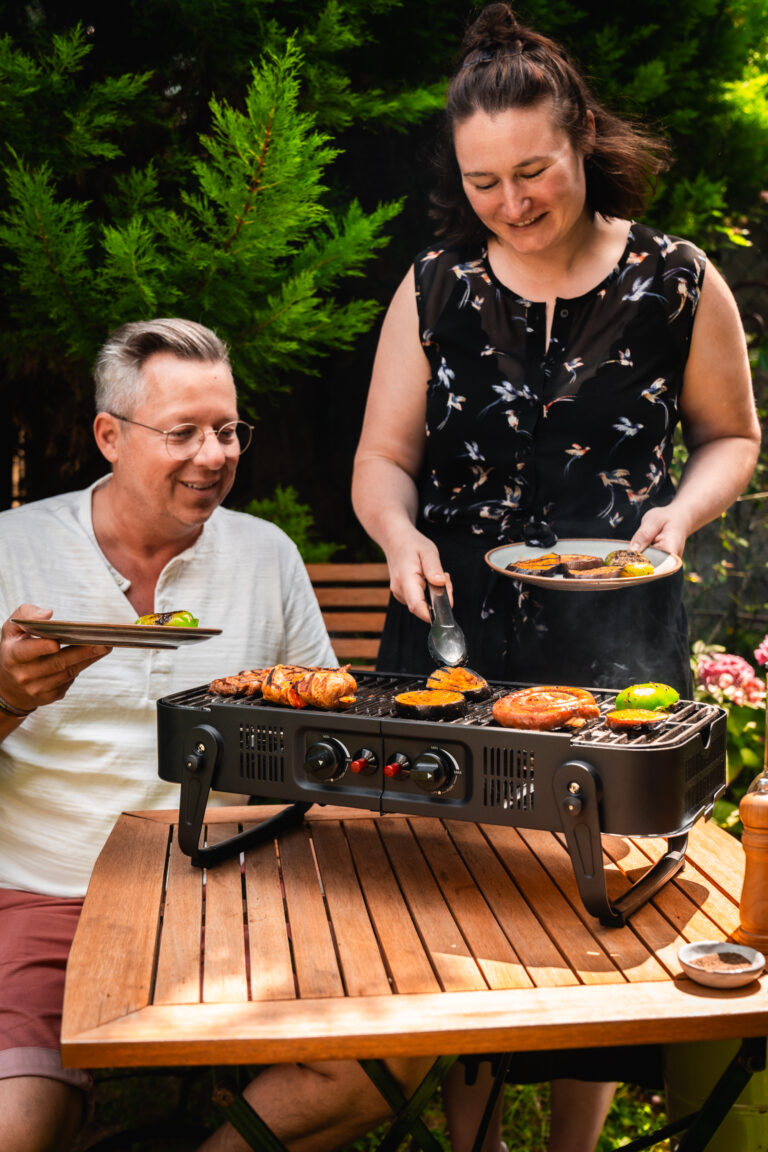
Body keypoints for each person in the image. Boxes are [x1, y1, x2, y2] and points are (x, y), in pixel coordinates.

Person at [351, 3, 761, 1150]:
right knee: (457, 892)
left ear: (582, 137)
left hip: (616, 617)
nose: (514, 203)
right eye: (485, 183)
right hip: (451, 630)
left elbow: (733, 435)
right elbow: (383, 459)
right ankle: (475, 1130)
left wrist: (680, 510)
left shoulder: (678, 281)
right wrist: (397, 537)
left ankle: (571, 1143)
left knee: (600, 900)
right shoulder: (433, 286)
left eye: (534, 170)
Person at [0, 318, 430, 1152]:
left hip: (222, 889)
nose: (215, 454)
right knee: (16, 1129)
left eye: (228, 430)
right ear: (109, 437)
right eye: (184, 432)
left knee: (387, 1058)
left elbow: (323, 735)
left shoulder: (265, 555)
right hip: (46, 889)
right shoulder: (12, 548)